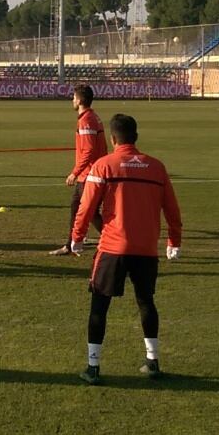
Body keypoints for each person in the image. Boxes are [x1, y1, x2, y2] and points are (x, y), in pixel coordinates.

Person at [71, 114, 182, 385]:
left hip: (112, 248)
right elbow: (172, 209)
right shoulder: (157, 167)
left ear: (112, 138)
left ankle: (93, 367)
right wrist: (174, 241)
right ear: (136, 137)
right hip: (146, 249)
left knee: (99, 306)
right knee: (146, 301)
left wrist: (77, 237)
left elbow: (86, 206)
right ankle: (153, 361)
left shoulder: (104, 165)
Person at [49, 84, 107, 255]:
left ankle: (114, 239)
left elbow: (89, 150)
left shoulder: (87, 120)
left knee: (90, 211)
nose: (72, 100)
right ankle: (71, 243)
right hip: (90, 173)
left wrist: (75, 172)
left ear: (80, 100)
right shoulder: (92, 117)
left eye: (74, 97)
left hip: (89, 174)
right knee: (79, 208)